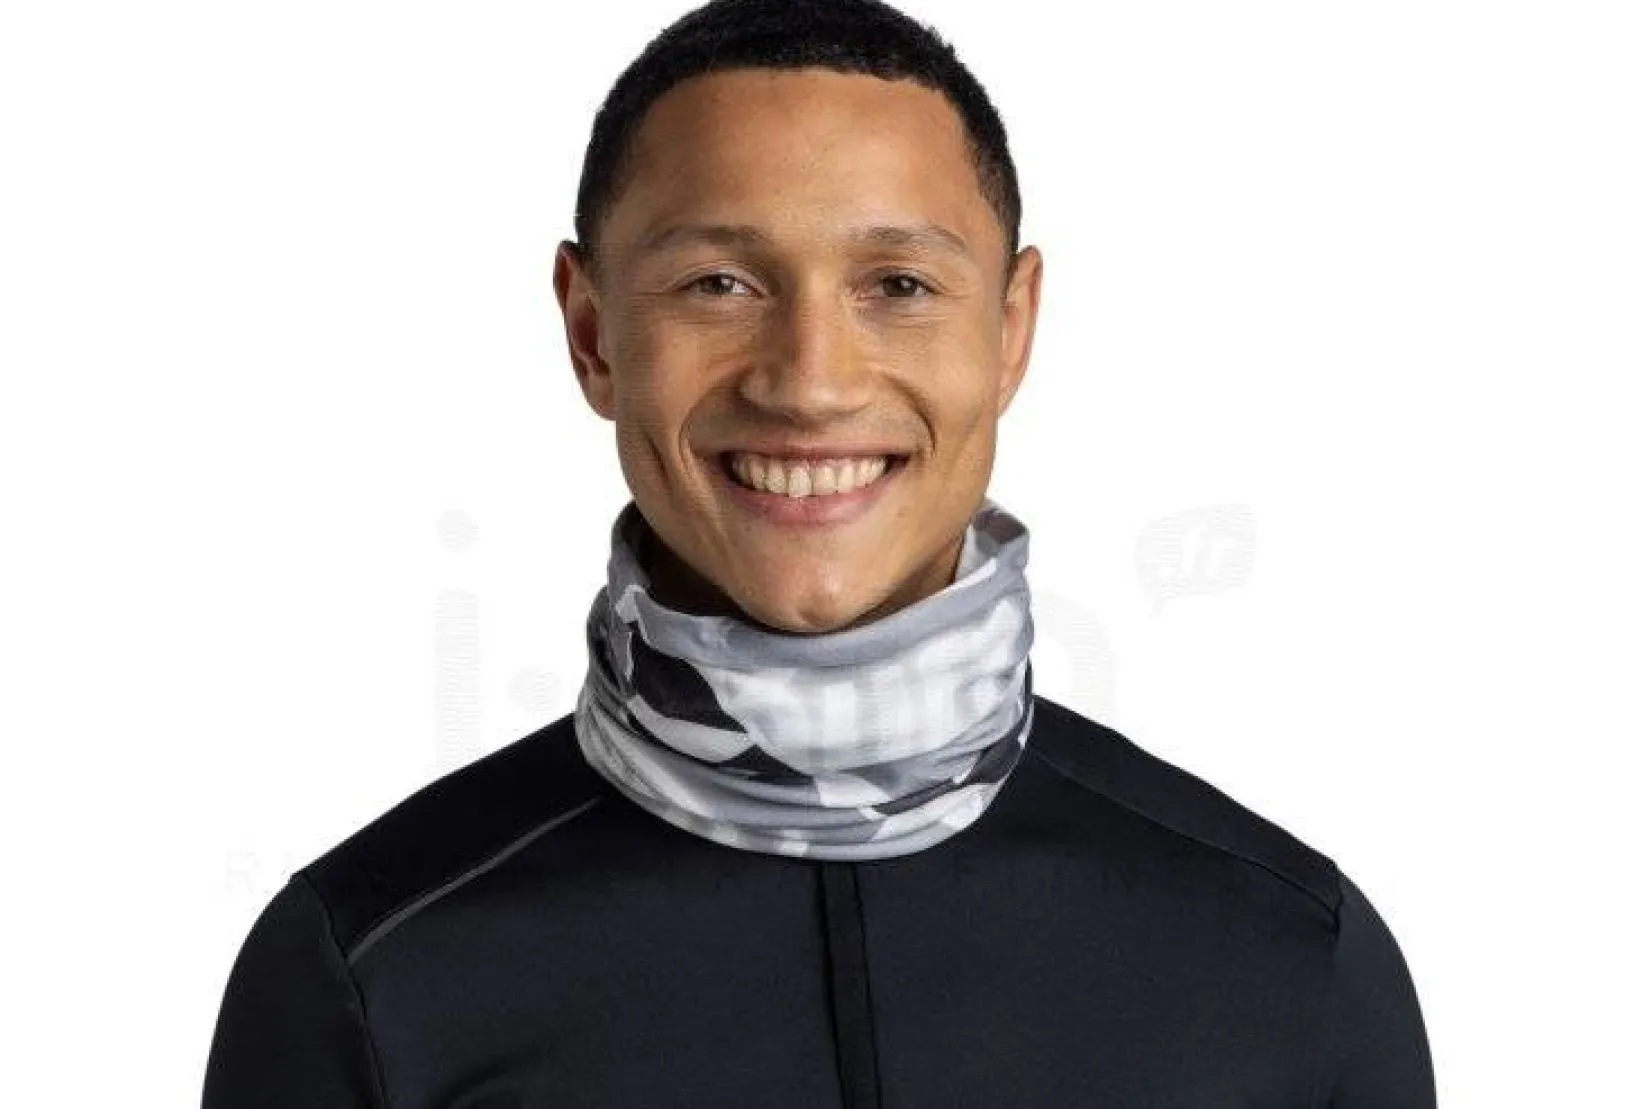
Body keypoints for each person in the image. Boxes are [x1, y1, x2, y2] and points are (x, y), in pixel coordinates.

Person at [199, 1, 1438, 1105]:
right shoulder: (370, 969)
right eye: (718, 283)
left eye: (896, 284)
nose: (809, 381)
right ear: (591, 332)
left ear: (1009, 330)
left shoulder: (1287, 952)